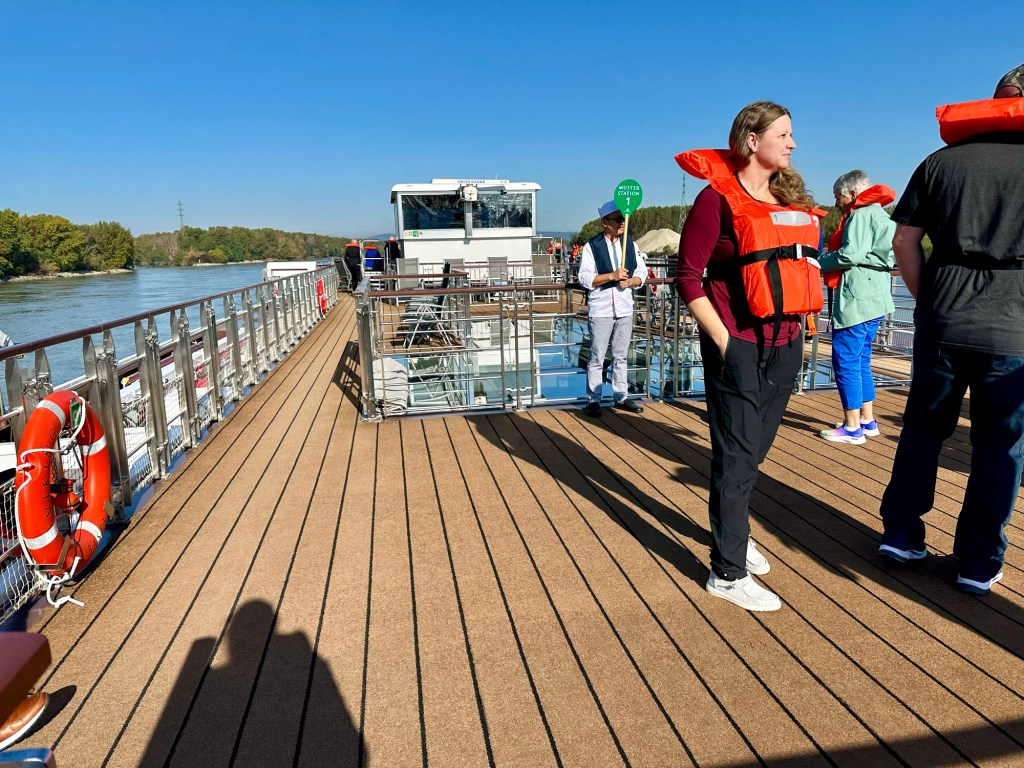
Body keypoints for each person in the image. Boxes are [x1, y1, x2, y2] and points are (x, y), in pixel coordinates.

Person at [877, 64, 1024, 596]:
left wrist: (929, 302)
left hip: (943, 320)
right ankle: (977, 563)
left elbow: (903, 242)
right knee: (1000, 447)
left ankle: (901, 536)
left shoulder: (940, 161)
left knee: (923, 429)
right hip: (1014, 329)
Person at [674, 101, 824, 612]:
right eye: (783, 134)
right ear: (752, 140)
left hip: (786, 345)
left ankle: (732, 534)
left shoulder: (789, 199)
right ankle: (727, 572)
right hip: (736, 342)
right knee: (736, 457)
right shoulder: (714, 200)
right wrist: (722, 339)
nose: (793, 143)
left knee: (753, 453)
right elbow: (688, 278)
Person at [817, 170, 896, 445]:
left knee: (846, 360)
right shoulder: (881, 214)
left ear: (852, 193)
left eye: (837, 196)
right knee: (861, 359)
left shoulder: (861, 214)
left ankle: (852, 428)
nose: (836, 203)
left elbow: (851, 254)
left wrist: (817, 262)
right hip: (877, 296)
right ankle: (866, 419)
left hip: (857, 297)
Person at [578, 200, 648, 417]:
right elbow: (584, 277)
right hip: (601, 310)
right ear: (604, 222)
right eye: (618, 219)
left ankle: (621, 396)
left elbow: (642, 273)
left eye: (624, 218)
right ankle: (593, 400)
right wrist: (611, 276)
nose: (622, 223)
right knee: (597, 357)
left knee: (621, 356)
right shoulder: (591, 246)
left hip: (624, 309)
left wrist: (632, 281)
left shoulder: (631, 244)